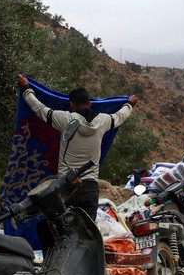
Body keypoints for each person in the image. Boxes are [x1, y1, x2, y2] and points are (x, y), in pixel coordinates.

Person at [16, 74, 138, 219]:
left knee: (64, 233)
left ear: (72, 104)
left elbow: (39, 108)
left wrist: (26, 88)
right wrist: (129, 104)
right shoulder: (103, 121)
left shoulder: (65, 119)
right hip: (90, 189)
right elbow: (120, 116)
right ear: (90, 104)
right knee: (89, 235)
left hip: (66, 189)